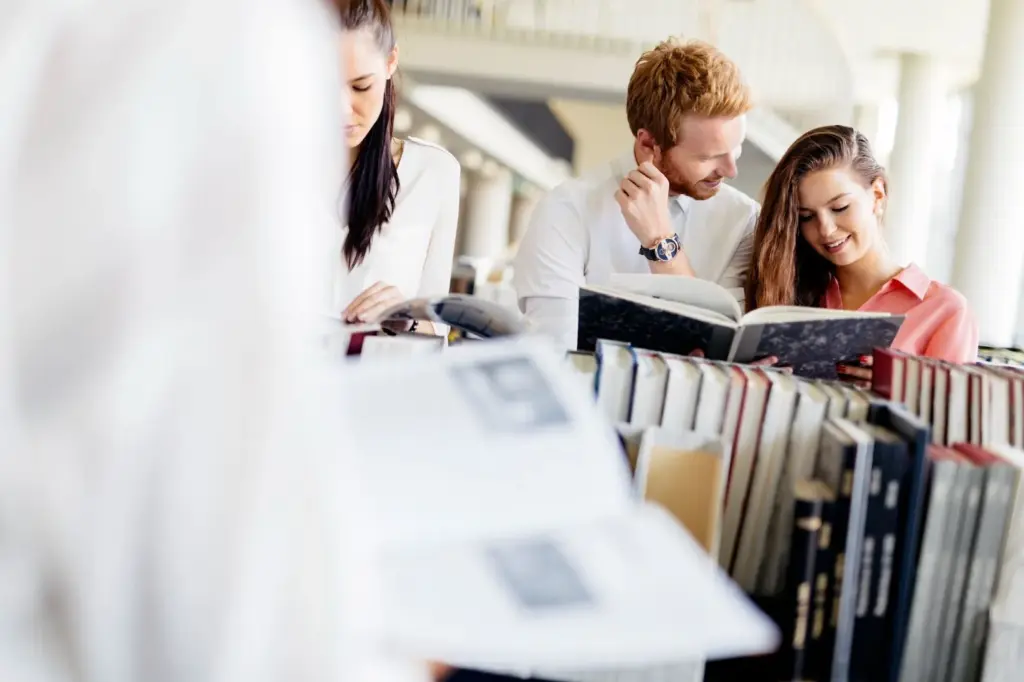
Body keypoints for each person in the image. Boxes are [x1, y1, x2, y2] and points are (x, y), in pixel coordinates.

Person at [512, 38, 759, 350]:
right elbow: (552, 352)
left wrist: (661, 241)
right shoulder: (566, 210)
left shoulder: (743, 220)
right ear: (647, 144)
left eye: (736, 149)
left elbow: (713, 349)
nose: (730, 170)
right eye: (707, 158)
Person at [745, 125, 979, 383]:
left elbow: (952, 417)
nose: (826, 230)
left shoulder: (944, 310)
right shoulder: (788, 294)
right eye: (806, 217)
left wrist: (900, 388)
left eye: (840, 207)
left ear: (877, 195)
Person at [331, 0, 461, 335]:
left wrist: (407, 317)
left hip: (374, 379)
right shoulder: (267, 170)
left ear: (390, 62)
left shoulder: (433, 173)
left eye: (361, 86)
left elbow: (439, 329)